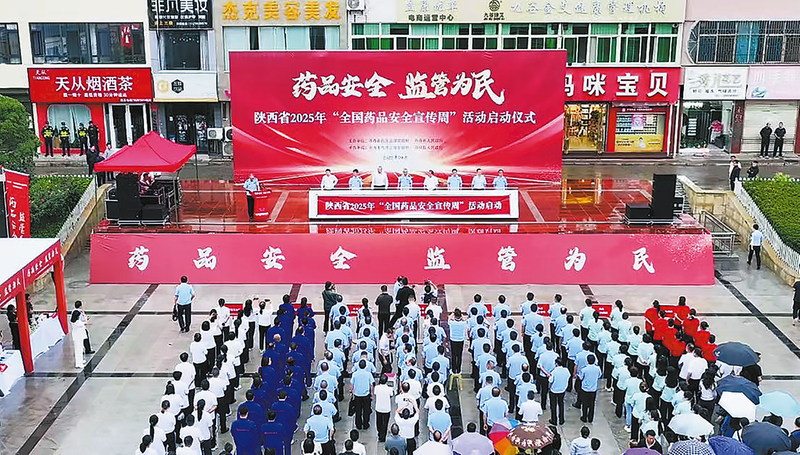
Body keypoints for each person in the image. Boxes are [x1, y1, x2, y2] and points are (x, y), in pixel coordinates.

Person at [351, 359, 374, 430]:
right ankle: (365, 424)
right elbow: (371, 385)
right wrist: (371, 393)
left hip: (357, 395)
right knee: (366, 411)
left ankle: (358, 424)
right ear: (365, 366)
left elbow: (352, 385)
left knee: (358, 411)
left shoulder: (355, 374)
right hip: (366, 395)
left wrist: (352, 393)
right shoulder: (368, 374)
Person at [548, 359, 570, 425]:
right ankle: (561, 419)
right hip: (562, 390)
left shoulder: (554, 372)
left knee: (553, 405)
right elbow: (568, 376)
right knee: (561, 404)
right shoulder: (566, 370)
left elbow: (550, 381)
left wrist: (550, 387)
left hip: (554, 391)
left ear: (556, 364)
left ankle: (554, 420)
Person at [375, 374, 394, 442]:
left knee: (379, 422)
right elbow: (391, 395)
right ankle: (383, 436)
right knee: (385, 423)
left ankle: (380, 434)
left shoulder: (377, 388)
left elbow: (375, 394)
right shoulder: (389, 389)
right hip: (386, 408)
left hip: (379, 408)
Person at [70, 304, 89, 368]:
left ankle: (80, 361)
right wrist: (84, 316)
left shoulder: (74, 321)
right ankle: (78, 364)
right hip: (78, 337)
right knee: (78, 351)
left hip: (78, 337)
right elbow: (86, 322)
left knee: (80, 350)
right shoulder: (77, 323)